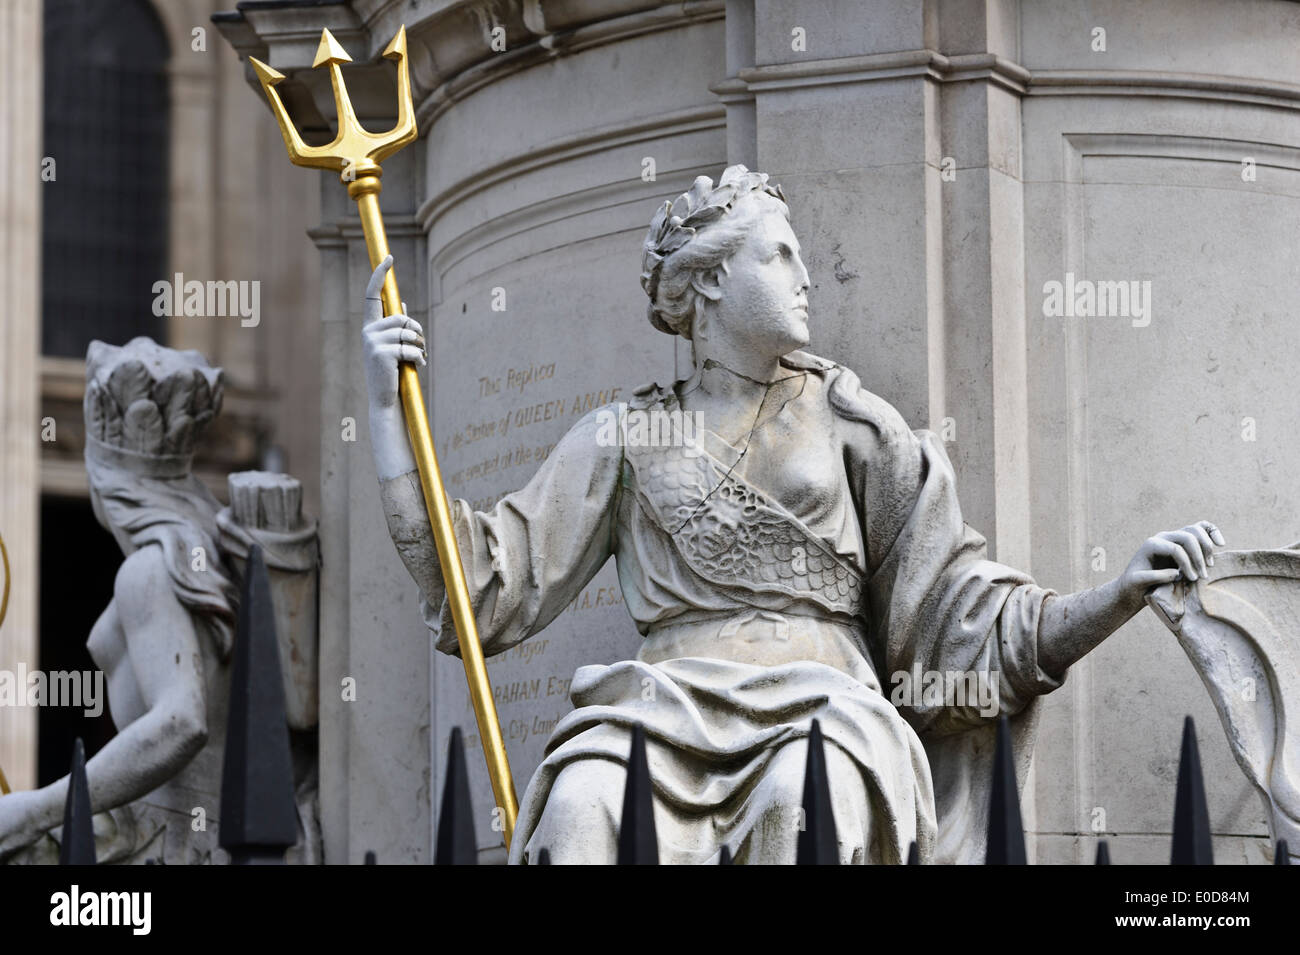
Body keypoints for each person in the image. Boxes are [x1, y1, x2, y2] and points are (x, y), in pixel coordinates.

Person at [363, 165, 1223, 863]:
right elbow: (480, 582)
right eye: (778, 256)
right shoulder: (627, 436)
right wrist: (384, 417)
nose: (807, 277)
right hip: (658, 711)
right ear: (705, 284)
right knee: (584, 802)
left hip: (825, 708)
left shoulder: (852, 421)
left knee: (799, 799)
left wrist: (1115, 595)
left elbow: (965, 621)